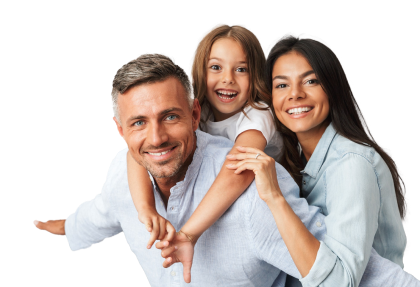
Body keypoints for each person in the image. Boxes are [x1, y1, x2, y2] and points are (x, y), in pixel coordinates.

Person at [33, 51, 419, 287]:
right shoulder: (124, 173)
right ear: (120, 131)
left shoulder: (255, 190)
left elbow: (356, 276)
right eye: (138, 123)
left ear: (196, 113)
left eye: (170, 116)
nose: (156, 137)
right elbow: (97, 214)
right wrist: (55, 227)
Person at [221, 32, 414, 286]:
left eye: (310, 81)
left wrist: (275, 197)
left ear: (332, 88)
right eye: (282, 85)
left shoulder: (351, 164)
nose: (295, 94)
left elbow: (338, 282)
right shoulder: (297, 158)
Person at [126, 22, 283, 250]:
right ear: (201, 69)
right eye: (216, 67)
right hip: (214, 192)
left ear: (255, 75)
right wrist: (146, 209)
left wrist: (189, 234)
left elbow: (239, 169)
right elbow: (136, 154)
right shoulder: (199, 109)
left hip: (258, 200)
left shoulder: (258, 113)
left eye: (241, 69)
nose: (228, 79)